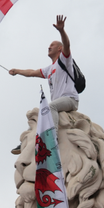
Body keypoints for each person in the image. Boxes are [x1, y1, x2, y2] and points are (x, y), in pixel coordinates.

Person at [9, 14, 80, 152]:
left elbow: (67, 44)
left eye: (52, 45)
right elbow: (32, 72)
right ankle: (27, 141)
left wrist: (61, 31)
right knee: (40, 111)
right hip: (58, 102)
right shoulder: (49, 69)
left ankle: (52, 139)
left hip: (70, 99)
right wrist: (17, 70)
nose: (49, 47)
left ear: (59, 49)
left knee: (49, 107)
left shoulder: (64, 60)